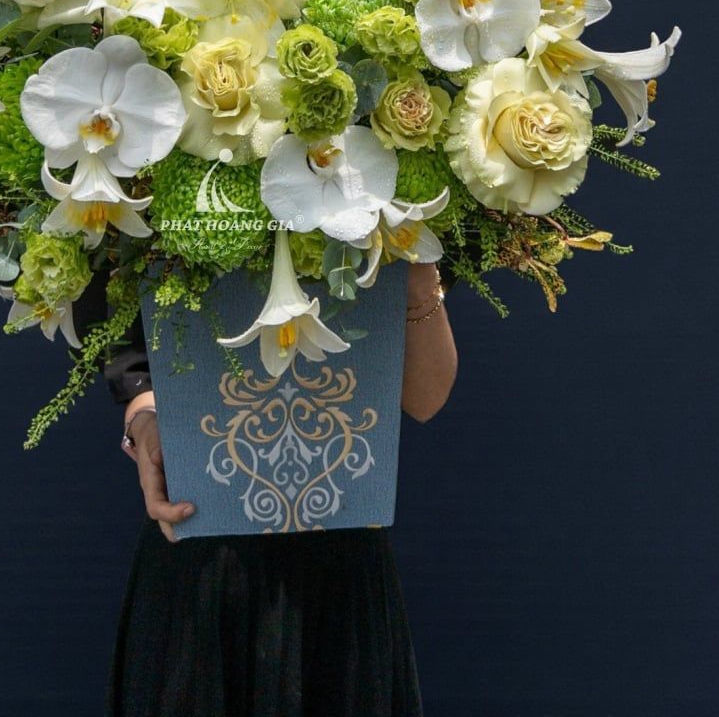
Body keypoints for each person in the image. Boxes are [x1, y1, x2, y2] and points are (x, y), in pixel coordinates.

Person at [103, 260, 457, 717]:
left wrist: (419, 272)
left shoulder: (386, 221)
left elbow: (426, 397)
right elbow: (133, 356)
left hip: (342, 564)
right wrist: (144, 420)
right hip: (201, 552)